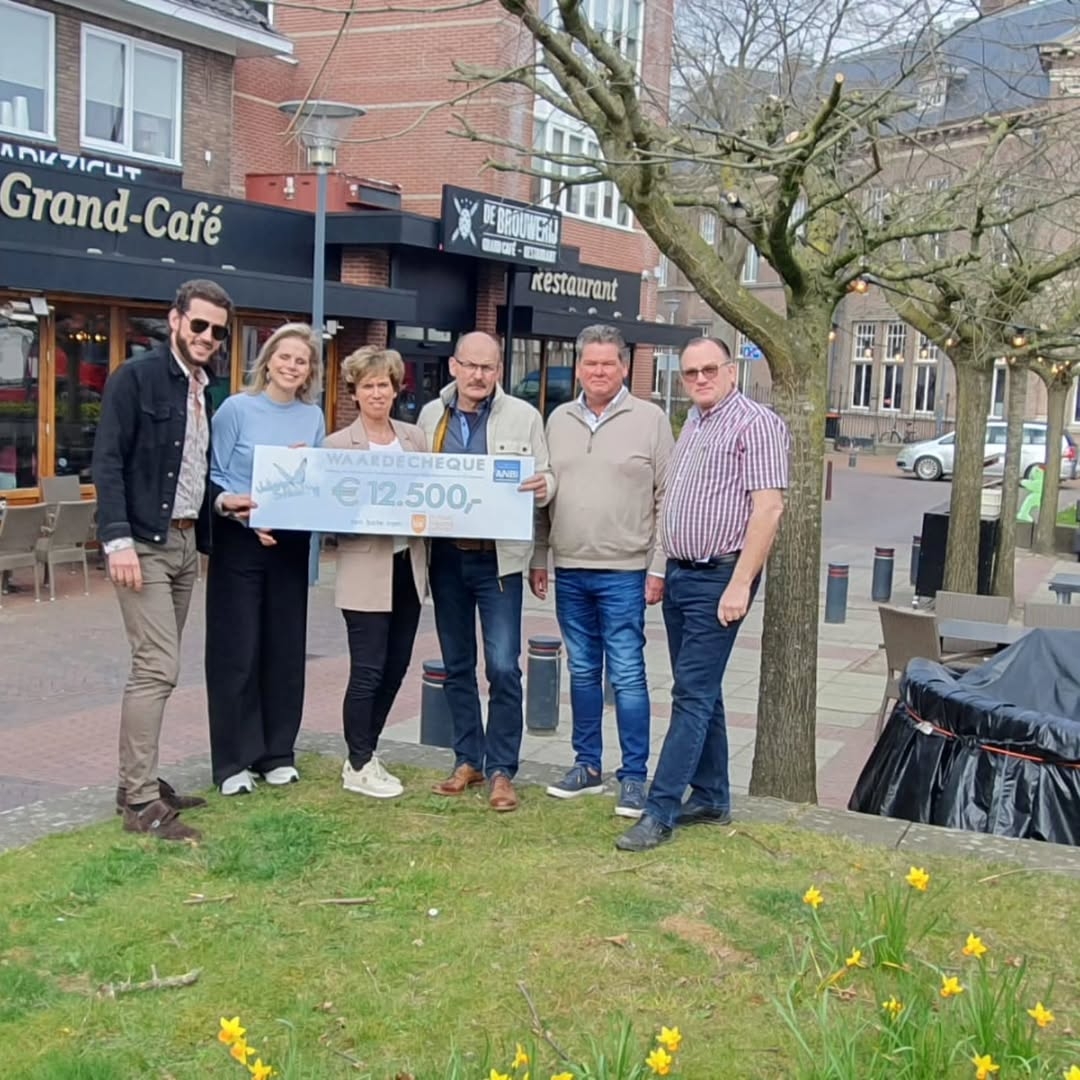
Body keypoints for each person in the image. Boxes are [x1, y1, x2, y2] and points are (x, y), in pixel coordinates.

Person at [616, 337, 789, 852]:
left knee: (690, 696)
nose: (699, 379)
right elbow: (679, 499)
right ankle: (712, 796)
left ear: (731, 371)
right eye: (690, 372)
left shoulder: (756, 424)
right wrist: (662, 568)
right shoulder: (694, 421)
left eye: (709, 369)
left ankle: (660, 810)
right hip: (682, 574)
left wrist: (740, 583)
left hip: (721, 576)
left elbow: (769, 509)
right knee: (701, 689)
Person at [92, 278, 239, 841]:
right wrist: (117, 540)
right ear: (175, 319)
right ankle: (139, 800)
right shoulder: (136, 378)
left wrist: (222, 504)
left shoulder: (204, 388)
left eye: (217, 331)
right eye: (198, 324)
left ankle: (138, 782)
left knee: (157, 667)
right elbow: (108, 462)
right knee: (157, 667)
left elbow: (191, 472)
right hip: (143, 544)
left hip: (182, 543)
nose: (206, 337)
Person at [530, 325, 673, 818]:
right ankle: (586, 766)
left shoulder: (651, 420)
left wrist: (658, 566)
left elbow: (667, 497)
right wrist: (540, 557)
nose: (598, 371)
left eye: (608, 363)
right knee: (583, 670)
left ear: (624, 367)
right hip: (570, 568)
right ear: (578, 368)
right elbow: (544, 495)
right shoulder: (558, 420)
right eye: (590, 363)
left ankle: (633, 776)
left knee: (628, 674)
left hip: (626, 571)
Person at [418, 331, 554, 812]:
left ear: (500, 370)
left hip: (499, 560)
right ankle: (467, 760)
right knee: (457, 664)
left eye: (488, 367)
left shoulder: (524, 416)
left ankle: (501, 770)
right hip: (446, 557)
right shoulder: (431, 416)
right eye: (471, 366)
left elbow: (546, 475)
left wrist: (545, 486)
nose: (478, 375)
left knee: (502, 666)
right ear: (453, 366)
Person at [205, 323, 326, 796]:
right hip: (241, 539)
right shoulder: (236, 409)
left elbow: (316, 482)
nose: (292, 366)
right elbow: (213, 475)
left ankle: (277, 753)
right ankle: (233, 761)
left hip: (290, 543)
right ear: (268, 360)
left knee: (284, 649)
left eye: (302, 360)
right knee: (237, 651)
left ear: (310, 371)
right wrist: (238, 511)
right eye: (285, 356)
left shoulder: (312, 416)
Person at [323, 346, 427, 798]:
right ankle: (359, 761)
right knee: (367, 669)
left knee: (396, 666)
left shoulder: (415, 438)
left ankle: (367, 750)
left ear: (395, 388)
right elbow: (328, 514)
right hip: (366, 568)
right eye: (368, 386)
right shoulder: (336, 445)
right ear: (354, 392)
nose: (377, 393)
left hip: (409, 567)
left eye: (383, 384)